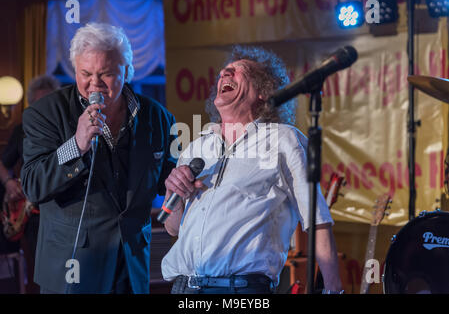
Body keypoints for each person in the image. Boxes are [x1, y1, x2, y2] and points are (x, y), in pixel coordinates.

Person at [161, 45, 343, 294]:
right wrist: (176, 195)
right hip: (183, 287)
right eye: (224, 72)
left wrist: (334, 290)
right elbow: (173, 227)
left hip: (240, 290)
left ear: (263, 92)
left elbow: (317, 219)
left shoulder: (283, 140)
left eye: (238, 71)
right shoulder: (196, 147)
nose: (225, 73)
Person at [20, 23, 177, 294]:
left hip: (131, 266)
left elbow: (170, 179)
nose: (94, 83)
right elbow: (33, 185)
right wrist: (77, 144)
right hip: (72, 268)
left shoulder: (159, 117)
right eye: (85, 73)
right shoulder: (44, 113)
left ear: (127, 71)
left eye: (105, 73)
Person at [0, 75, 60, 294]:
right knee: (41, 271)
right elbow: (3, 163)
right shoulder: (22, 129)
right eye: (38, 104)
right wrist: (8, 183)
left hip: (64, 210)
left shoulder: (66, 129)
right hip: (34, 214)